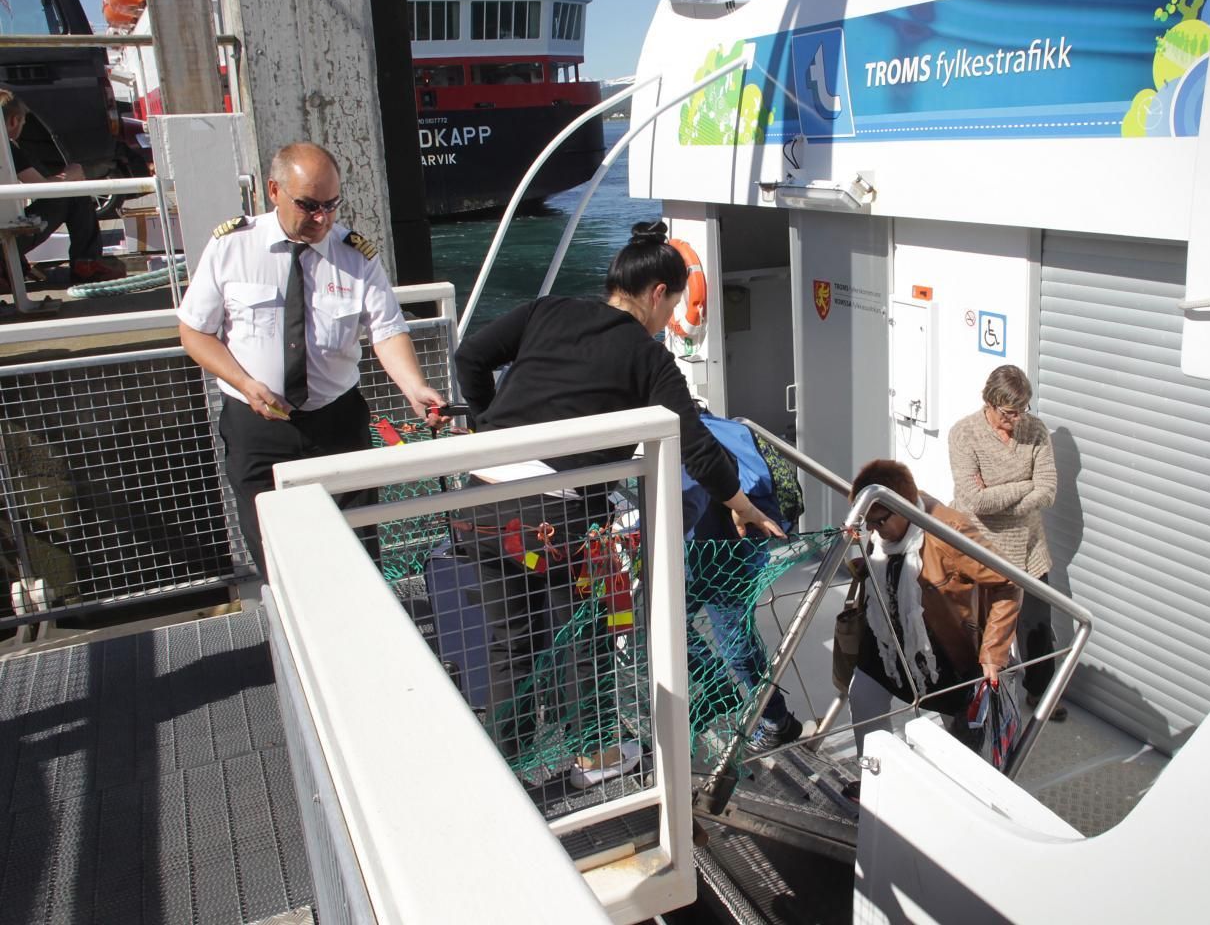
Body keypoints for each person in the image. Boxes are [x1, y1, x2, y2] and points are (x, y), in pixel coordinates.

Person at [452, 220, 785, 763]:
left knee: (510, 644)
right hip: (555, 522)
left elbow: (470, 357)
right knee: (587, 637)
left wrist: (489, 426)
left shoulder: (547, 310)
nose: (667, 318)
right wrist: (742, 505)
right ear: (658, 294)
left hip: (480, 504)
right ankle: (594, 758)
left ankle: (510, 766)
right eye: (671, 305)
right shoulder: (648, 357)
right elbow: (695, 446)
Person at [178, 141, 447, 576]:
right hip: (258, 429)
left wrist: (414, 387)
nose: (322, 218)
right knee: (278, 558)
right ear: (274, 191)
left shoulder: (355, 257)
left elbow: (386, 330)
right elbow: (194, 331)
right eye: (308, 205)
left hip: (336, 425)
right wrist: (246, 383)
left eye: (331, 205)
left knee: (356, 555)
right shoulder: (231, 247)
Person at [846, 459, 1021, 759]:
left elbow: (1009, 582)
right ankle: (873, 775)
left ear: (903, 509)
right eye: (867, 523)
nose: (871, 530)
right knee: (862, 699)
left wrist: (994, 652)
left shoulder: (948, 533)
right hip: (887, 638)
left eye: (878, 522)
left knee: (963, 741)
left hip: (941, 651)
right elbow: (893, 561)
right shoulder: (884, 522)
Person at [681, 408, 803, 754]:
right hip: (701, 549)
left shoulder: (691, 438)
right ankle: (720, 688)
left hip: (722, 553)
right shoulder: (698, 428)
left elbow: (692, 496)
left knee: (735, 645)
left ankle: (776, 719)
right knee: (666, 625)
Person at [947, 364, 1065, 719]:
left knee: (1036, 627)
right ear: (989, 402)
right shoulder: (964, 434)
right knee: (980, 629)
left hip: (1028, 550)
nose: (1016, 420)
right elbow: (975, 501)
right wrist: (1025, 485)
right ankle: (975, 699)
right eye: (1008, 413)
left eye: (1021, 410)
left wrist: (1004, 495)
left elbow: (1048, 491)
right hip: (980, 549)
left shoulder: (1036, 430)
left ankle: (1040, 693)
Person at [0, 88, 123, 287]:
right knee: (72, 195)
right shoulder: (6, 148)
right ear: (14, 121)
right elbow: (41, 188)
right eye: (23, 121)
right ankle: (87, 262)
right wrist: (69, 175)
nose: (23, 126)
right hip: (3, 238)